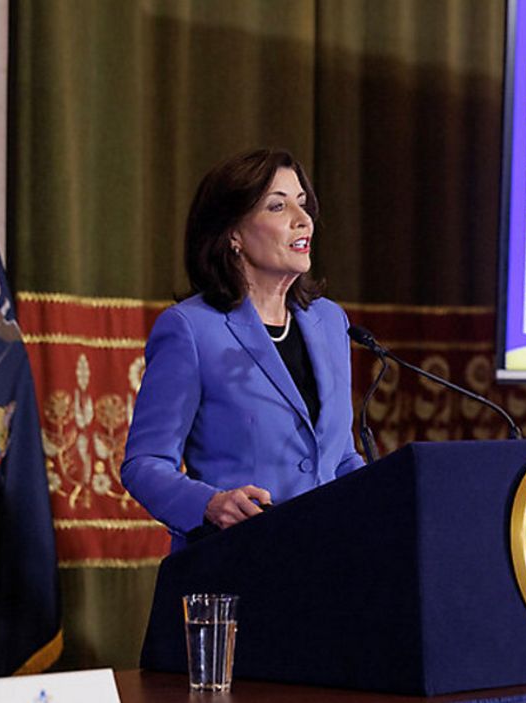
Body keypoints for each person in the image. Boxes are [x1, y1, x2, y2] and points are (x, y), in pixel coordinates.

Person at [121, 148, 365, 551]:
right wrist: (210, 505)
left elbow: (339, 458)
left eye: (302, 203)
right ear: (232, 233)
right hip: (238, 558)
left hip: (329, 561)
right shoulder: (191, 329)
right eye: (278, 206)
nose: (303, 219)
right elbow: (144, 463)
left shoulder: (329, 321)